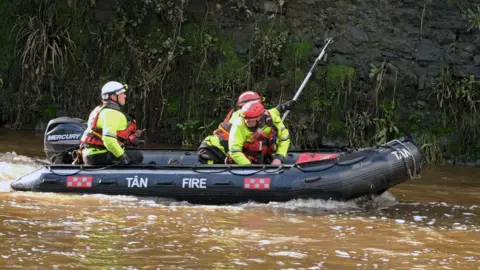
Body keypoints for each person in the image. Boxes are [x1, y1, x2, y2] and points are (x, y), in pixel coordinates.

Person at [197, 91, 296, 164]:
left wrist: (281, 108)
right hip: (223, 148)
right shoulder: (238, 120)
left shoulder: (268, 116)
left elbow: (265, 112)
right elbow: (235, 150)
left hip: (252, 150)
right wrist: (249, 168)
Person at [80, 81, 144, 165]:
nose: (125, 95)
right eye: (122, 93)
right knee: (136, 156)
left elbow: (114, 135)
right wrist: (122, 156)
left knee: (132, 151)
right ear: (114, 96)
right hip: (97, 155)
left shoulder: (99, 109)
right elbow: (108, 140)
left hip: (90, 153)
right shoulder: (112, 113)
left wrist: (132, 139)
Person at [227, 100, 291, 165]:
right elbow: (234, 151)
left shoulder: (272, 118)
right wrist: (250, 167)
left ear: (259, 118)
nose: (246, 121)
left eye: (249, 120)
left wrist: (279, 158)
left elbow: (284, 139)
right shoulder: (238, 124)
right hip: (246, 160)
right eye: (245, 118)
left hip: (266, 157)